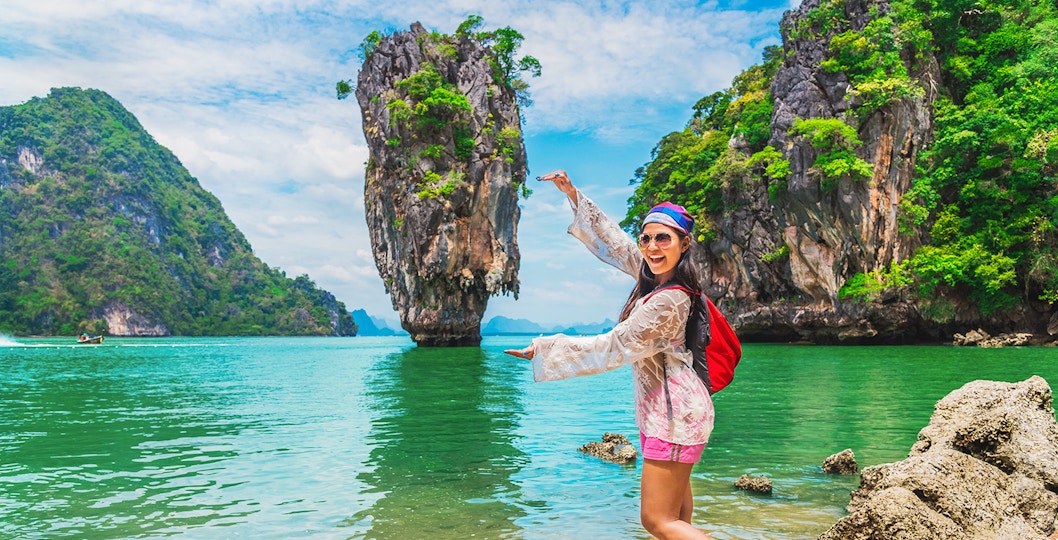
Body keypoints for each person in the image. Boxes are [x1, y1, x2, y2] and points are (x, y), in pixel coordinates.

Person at [505, 170, 715, 540]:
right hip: (674, 410)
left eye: (662, 239)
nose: (651, 247)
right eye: (647, 238)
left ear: (683, 244)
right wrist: (574, 196)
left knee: (657, 521)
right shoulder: (659, 282)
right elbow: (617, 244)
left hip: (673, 414)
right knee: (677, 513)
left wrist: (546, 347)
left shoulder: (667, 301)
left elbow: (613, 347)